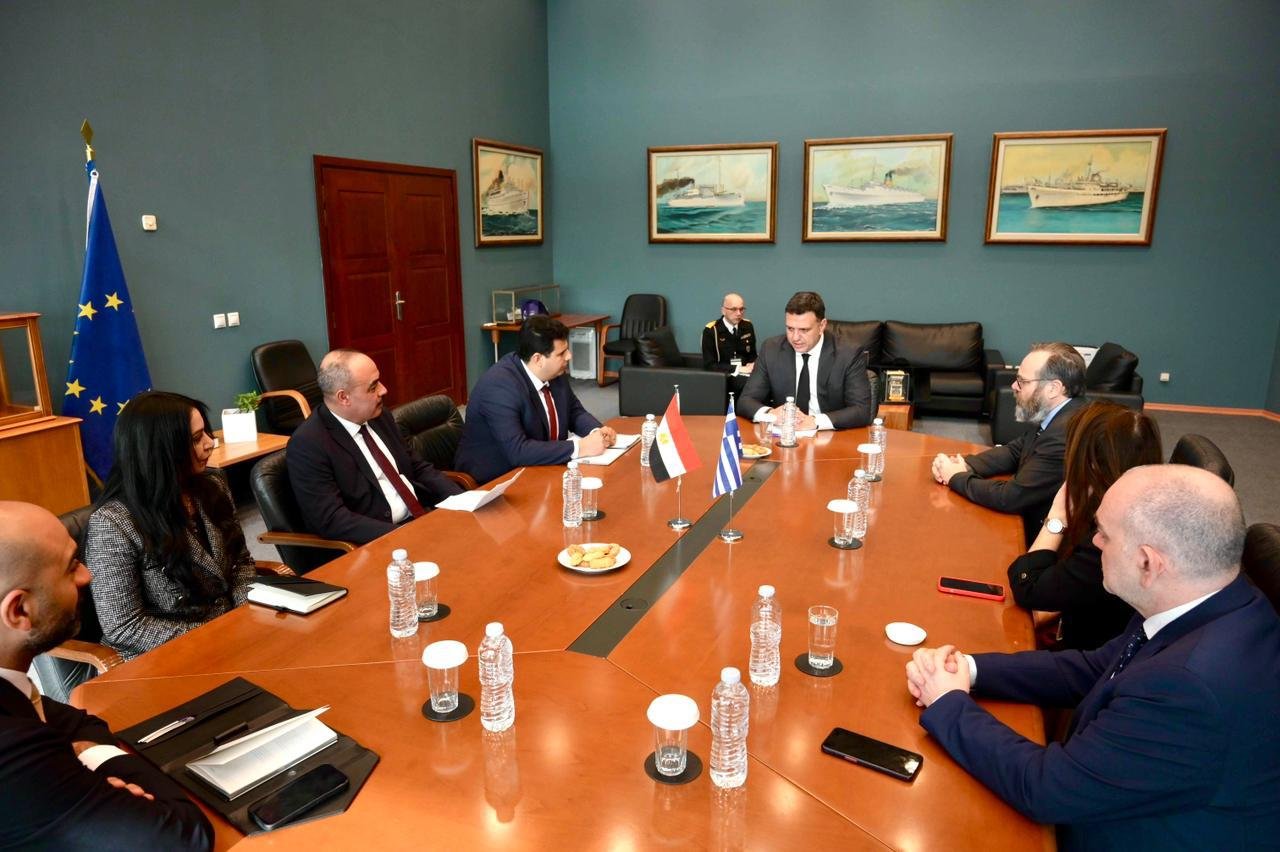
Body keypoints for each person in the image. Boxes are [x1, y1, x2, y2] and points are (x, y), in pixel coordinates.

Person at [906, 465, 1280, 849]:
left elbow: (1048, 789)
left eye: (1104, 533)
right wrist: (968, 669)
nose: (1095, 542)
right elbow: (1094, 668)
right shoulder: (1205, 599)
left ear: (1148, 563)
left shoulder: (1188, 689)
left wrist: (948, 702)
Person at [0, 501, 212, 849]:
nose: (88, 576)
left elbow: (81, 724)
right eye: (72, 566)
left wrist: (79, 753)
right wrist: (95, 756)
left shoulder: (13, 692)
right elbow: (183, 837)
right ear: (20, 609)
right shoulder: (13, 752)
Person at [85, 392, 256, 660]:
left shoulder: (213, 484)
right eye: (196, 439)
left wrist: (244, 615)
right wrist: (213, 637)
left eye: (206, 432)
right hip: (168, 656)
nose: (210, 443)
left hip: (234, 632)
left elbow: (241, 562)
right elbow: (124, 626)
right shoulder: (113, 523)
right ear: (162, 450)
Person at [1008, 402, 1163, 649]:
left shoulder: (1108, 539)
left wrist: (1058, 516)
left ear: (1091, 463)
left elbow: (1028, 588)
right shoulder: (1147, 505)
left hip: (1089, 656)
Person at [288, 349, 464, 545]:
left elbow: (417, 467)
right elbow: (332, 519)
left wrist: (463, 499)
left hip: (422, 519)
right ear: (344, 397)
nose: (383, 390)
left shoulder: (380, 416)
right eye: (373, 387)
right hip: (378, 541)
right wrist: (404, 535)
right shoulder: (308, 444)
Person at [932, 342, 1085, 543]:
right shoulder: (1061, 414)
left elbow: (1010, 497)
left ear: (1053, 388)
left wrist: (955, 476)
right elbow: (1016, 450)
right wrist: (966, 464)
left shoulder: (1064, 433)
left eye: (1022, 381)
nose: (1014, 386)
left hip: (1048, 540)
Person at [455, 315, 616, 485]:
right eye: (561, 353)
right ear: (538, 359)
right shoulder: (499, 387)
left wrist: (597, 431)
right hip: (495, 480)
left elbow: (574, 412)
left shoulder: (554, 371)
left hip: (540, 468)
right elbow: (518, 451)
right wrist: (580, 447)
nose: (569, 356)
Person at [735, 291, 873, 430]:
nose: (795, 338)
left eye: (804, 330)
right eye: (790, 328)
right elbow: (745, 401)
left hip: (829, 436)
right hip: (785, 435)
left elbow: (861, 411)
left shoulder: (848, 354)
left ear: (822, 326)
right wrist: (771, 414)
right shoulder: (771, 349)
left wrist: (815, 421)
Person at [701, 292, 757, 396]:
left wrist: (754, 364)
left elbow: (752, 355)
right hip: (725, 376)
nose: (739, 313)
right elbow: (709, 365)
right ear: (723, 310)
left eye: (741, 309)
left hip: (747, 374)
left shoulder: (747, 326)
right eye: (734, 309)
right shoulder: (712, 331)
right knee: (750, 386)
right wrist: (738, 369)